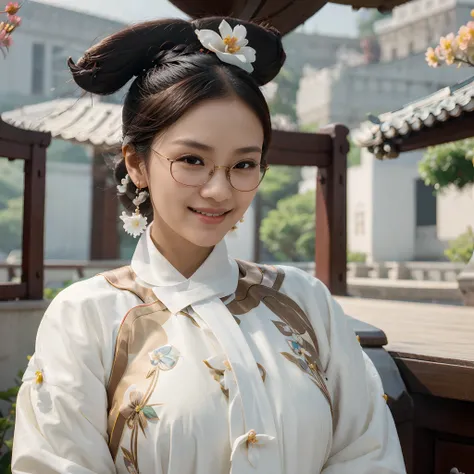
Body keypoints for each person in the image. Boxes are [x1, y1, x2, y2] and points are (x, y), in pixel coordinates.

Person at [11, 16, 406, 474]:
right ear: (136, 163)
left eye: (243, 165)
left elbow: (367, 455)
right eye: (192, 160)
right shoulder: (86, 316)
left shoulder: (306, 300)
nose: (219, 190)